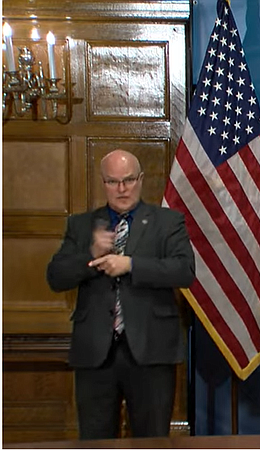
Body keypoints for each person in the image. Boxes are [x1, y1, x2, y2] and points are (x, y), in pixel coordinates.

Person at [46, 149, 195, 439]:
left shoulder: (168, 222)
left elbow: (183, 271)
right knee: (95, 440)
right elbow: (56, 277)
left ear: (141, 179)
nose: (122, 189)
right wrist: (91, 254)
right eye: (113, 182)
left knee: (151, 439)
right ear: (103, 183)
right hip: (95, 353)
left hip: (151, 350)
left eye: (128, 180)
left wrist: (131, 265)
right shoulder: (81, 225)